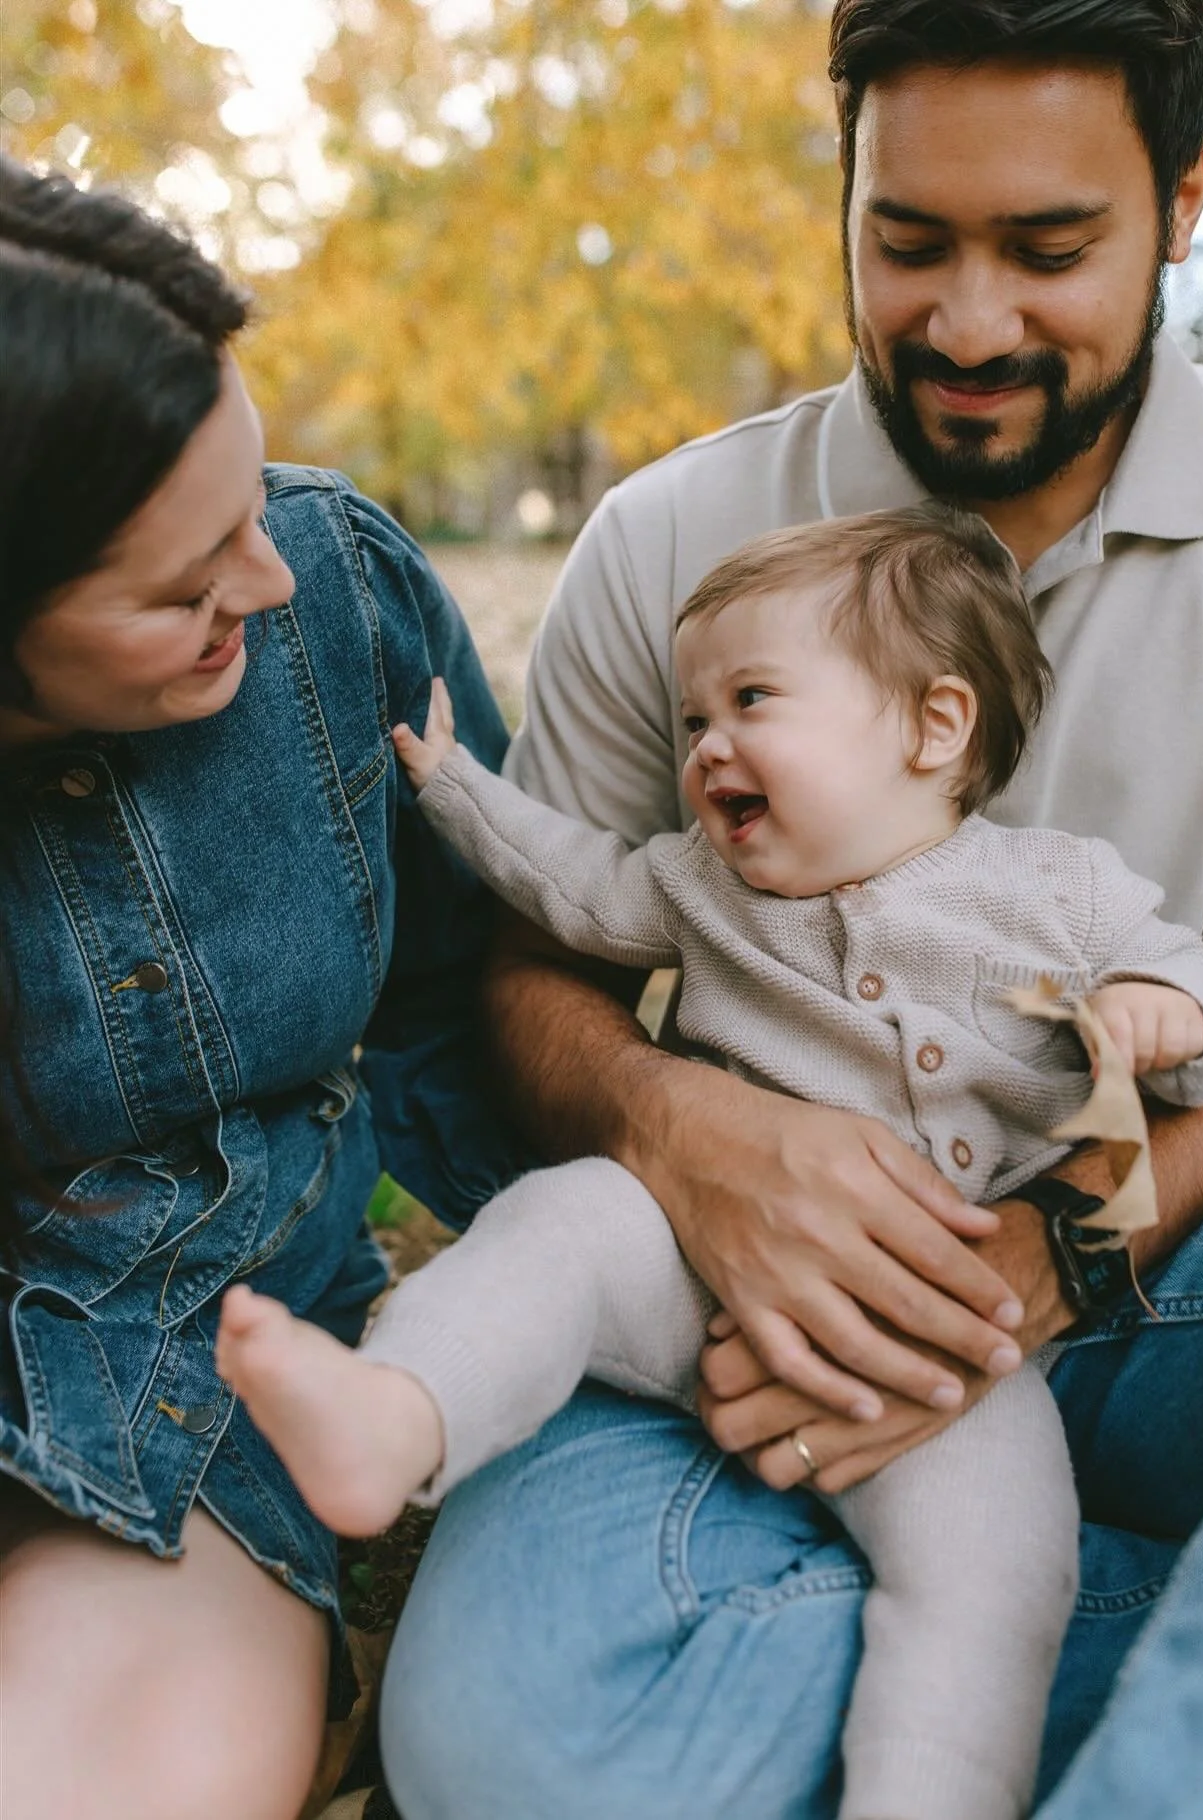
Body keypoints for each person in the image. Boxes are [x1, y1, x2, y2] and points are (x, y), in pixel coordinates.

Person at [377, 4, 1203, 1818]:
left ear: (1188, 196)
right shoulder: (668, 541)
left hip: (1172, 1286)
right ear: (845, 191)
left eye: (1050, 250)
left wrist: (1042, 1269)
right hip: (752, 1321)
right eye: (910, 241)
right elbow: (543, 965)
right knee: (505, 1743)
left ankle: (1091, 1671)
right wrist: (687, 1135)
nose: (970, 325)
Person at [220, 505, 1203, 1820]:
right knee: (569, 1222)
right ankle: (399, 1414)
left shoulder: (1062, 891)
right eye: (694, 717)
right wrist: (453, 783)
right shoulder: (699, 887)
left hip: (938, 1338)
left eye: (751, 700)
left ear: (935, 727)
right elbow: (571, 881)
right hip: (694, 1275)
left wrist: (1174, 1019)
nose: (707, 746)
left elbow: (1199, 988)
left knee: (998, 1579)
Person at [0, 158, 518, 1820]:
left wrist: (586, 1270)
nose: (272, 577)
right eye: (184, 583)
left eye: (249, 500)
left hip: (182, 1352)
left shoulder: (332, 579)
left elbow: (474, 987)